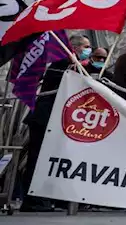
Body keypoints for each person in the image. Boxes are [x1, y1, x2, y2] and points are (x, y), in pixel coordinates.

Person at [18, 33, 90, 211]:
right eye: (85, 47)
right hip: (43, 118)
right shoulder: (62, 64)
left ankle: (50, 197)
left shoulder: (71, 65)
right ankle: (32, 199)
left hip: (54, 120)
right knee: (37, 158)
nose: (89, 50)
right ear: (75, 48)